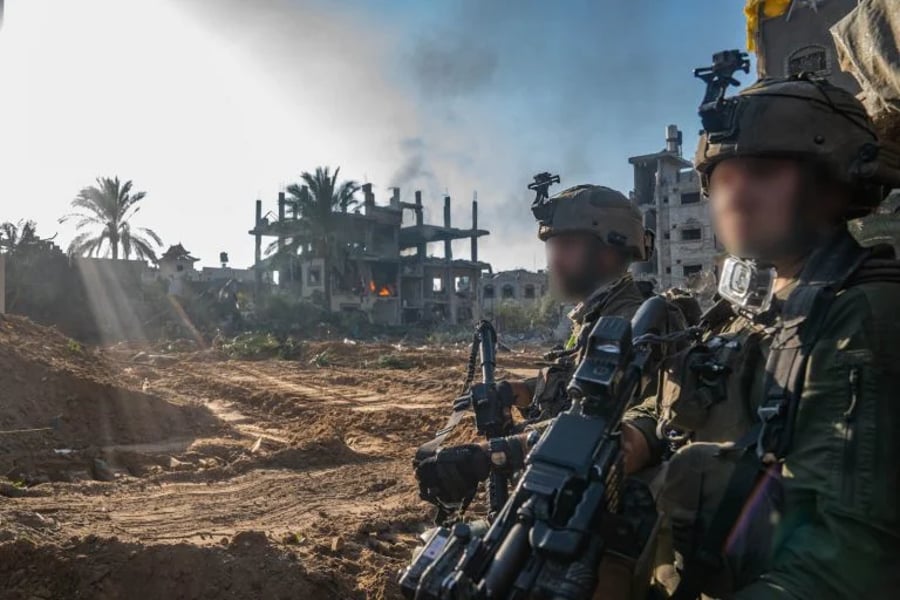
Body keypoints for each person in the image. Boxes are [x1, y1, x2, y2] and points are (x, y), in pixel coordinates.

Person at [622, 74, 900, 598]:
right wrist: (634, 440)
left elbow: (845, 560)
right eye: (722, 179)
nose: (737, 194)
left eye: (763, 172)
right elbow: (678, 408)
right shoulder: (740, 308)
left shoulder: (861, 314)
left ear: (833, 180)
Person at [415, 183, 657, 510]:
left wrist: (498, 453)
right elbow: (574, 384)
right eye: (551, 247)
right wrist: (517, 391)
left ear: (610, 249)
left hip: (606, 507)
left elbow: (602, 427)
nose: (553, 262)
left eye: (567, 246)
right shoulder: (595, 316)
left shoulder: (637, 323)